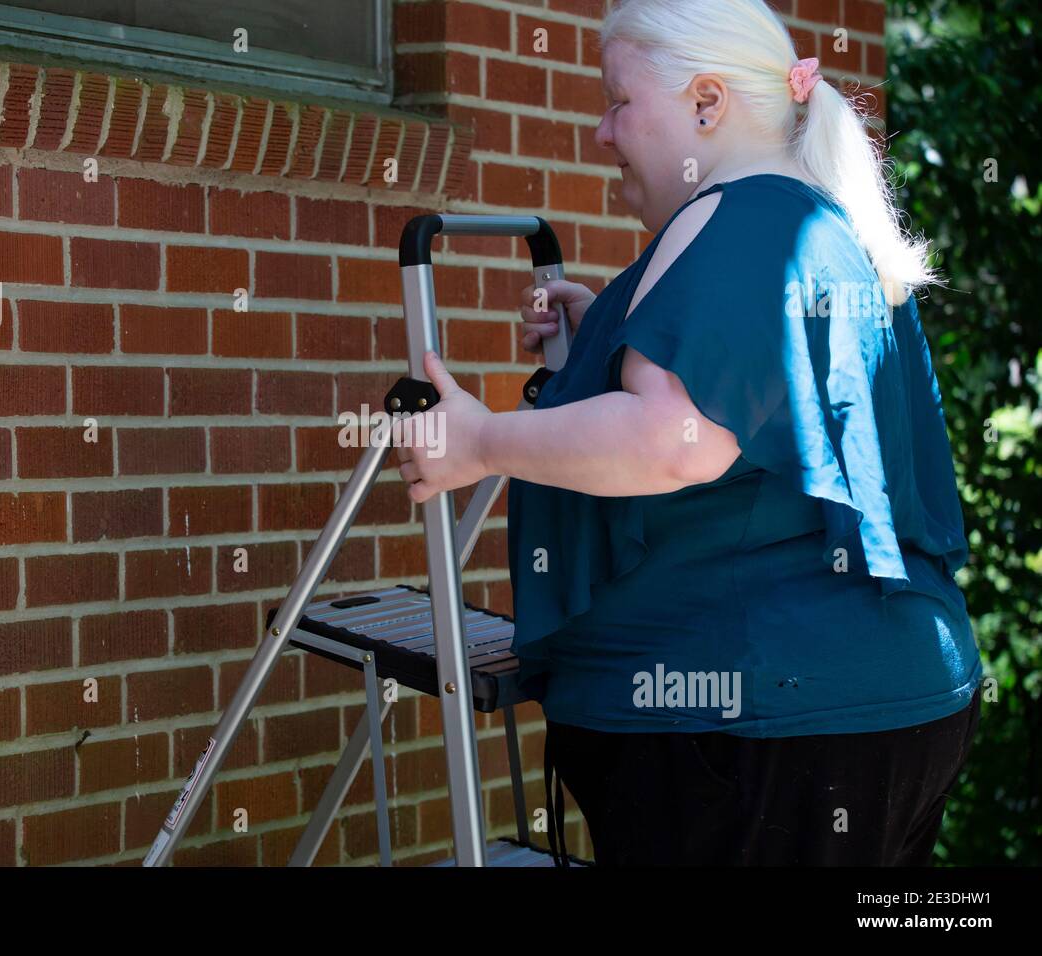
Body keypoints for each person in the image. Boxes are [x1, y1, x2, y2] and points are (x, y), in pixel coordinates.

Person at [393, 0, 982, 866]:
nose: (601, 131)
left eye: (619, 101)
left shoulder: (739, 215)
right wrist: (610, 340)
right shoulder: (821, 224)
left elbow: (674, 441)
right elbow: (756, 426)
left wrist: (481, 442)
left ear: (707, 105)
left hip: (753, 733)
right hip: (863, 710)